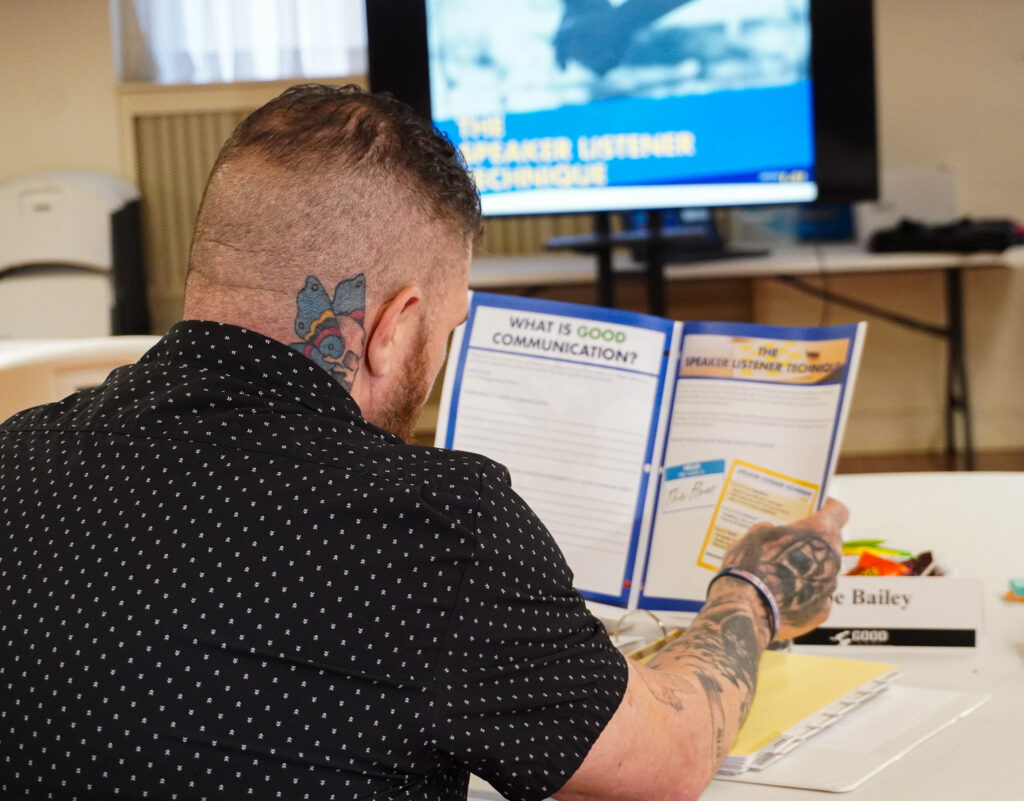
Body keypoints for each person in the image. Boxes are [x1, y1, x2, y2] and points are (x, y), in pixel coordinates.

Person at [0, 84, 845, 801]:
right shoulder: (438, 524)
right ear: (396, 327)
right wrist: (755, 590)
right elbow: (670, 759)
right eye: (446, 325)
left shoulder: (15, 456)